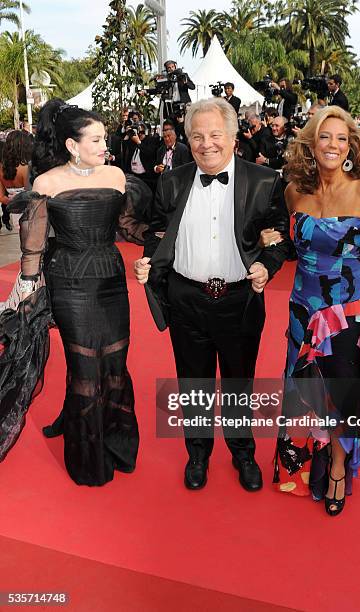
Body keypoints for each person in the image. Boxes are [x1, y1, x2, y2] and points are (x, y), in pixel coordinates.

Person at [135, 98, 291, 492]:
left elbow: (278, 237)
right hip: (186, 297)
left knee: (240, 381)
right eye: (198, 136)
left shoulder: (264, 180)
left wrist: (266, 265)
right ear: (188, 139)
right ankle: (198, 453)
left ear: (234, 136)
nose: (207, 144)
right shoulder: (170, 182)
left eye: (215, 134)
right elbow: (157, 234)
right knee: (193, 381)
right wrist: (148, 261)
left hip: (239, 299)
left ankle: (242, 452)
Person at [1, 99, 142, 486]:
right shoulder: (47, 183)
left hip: (111, 280)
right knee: (84, 367)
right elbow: (33, 247)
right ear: (71, 144)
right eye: (95, 139)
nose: (104, 145)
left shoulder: (115, 176)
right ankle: (88, 460)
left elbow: (129, 227)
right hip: (69, 282)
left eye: (104, 138)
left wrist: (167, 244)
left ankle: (117, 442)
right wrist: (28, 291)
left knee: (115, 364)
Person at [261, 106, 360, 516]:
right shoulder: (293, 193)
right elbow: (292, 243)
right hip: (303, 307)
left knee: (339, 395)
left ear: (351, 146)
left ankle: (337, 467)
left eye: (341, 138)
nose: (333, 145)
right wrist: (271, 240)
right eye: (324, 137)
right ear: (311, 144)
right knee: (304, 390)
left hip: (347, 313)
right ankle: (302, 464)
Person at [0, 130, 34, 231]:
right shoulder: (26, 168)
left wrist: (13, 201)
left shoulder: (1, 169)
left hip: (15, 213)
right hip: (30, 214)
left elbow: (1, 197)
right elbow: (31, 194)